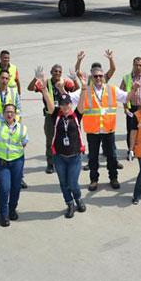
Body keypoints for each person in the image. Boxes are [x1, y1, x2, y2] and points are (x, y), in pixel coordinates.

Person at [78, 68, 136, 191]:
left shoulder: (112, 90)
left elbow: (126, 98)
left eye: (100, 76)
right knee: (93, 157)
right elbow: (69, 98)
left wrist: (134, 89)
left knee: (112, 156)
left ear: (104, 76)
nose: (98, 78)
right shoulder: (86, 91)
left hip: (108, 130)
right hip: (93, 131)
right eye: (95, 76)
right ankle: (94, 180)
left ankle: (113, 178)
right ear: (91, 78)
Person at [38, 77, 87, 218]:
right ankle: (70, 203)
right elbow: (48, 101)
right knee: (63, 183)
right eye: (63, 105)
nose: (65, 107)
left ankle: (78, 198)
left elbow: (82, 101)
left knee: (73, 183)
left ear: (71, 104)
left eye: (68, 104)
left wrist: (84, 87)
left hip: (74, 157)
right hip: (59, 157)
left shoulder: (77, 115)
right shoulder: (55, 116)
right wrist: (44, 89)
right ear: (60, 105)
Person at [0, 95, 29, 227]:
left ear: (15, 114)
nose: (9, 114)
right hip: (2, 162)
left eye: (12, 112)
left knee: (16, 188)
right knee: (5, 188)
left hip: (17, 162)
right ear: (3, 113)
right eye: (7, 112)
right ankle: (3, 215)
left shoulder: (22, 128)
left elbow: (24, 143)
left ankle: (12, 210)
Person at [28, 64, 76, 174]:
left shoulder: (65, 82)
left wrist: (75, 79)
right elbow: (30, 88)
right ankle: (50, 163)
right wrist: (36, 78)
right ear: (51, 72)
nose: (57, 73)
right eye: (55, 71)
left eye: (59, 71)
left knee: (65, 138)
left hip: (63, 115)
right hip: (50, 116)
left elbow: (76, 90)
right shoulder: (46, 83)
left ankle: (63, 161)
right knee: (50, 140)